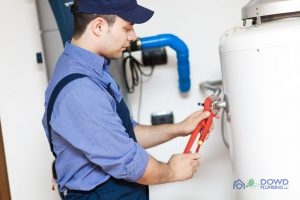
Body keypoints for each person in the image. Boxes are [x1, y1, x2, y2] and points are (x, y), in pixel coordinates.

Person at [42, 0, 213, 199]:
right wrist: (172, 171)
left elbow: (126, 134)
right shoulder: (80, 90)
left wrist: (179, 129)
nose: (133, 37)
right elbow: (130, 163)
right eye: (127, 28)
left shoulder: (91, 70)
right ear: (99, 26)